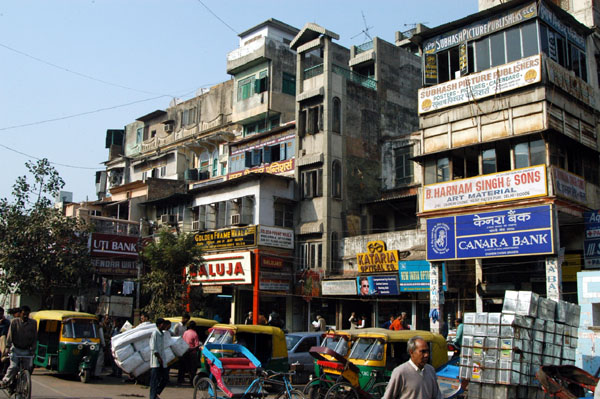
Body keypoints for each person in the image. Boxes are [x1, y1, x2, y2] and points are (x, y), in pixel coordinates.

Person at [0, 306, 37, 389]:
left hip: (27, 350)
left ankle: (23, 385)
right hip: (16, 349)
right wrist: (7, 347)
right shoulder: (14, 322)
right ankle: (5, 381)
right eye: (24, 314)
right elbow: (10, 335)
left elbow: (35, 337)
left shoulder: (33, 323)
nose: (25, 316)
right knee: (13, 367)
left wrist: (33, 349)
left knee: (28, 368)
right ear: (20, 314)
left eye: (27, 314)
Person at [149, 318, 170, 399]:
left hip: (162, 360)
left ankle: (156, 393)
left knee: (165, 378)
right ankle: (152, 396)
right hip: (156, 361)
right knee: (154, 381)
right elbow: (153, 347)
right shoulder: (155, 333)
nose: (164, 325)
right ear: (159, 325)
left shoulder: (162, 334)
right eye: (163, 324)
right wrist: (159, 358)